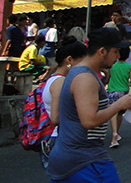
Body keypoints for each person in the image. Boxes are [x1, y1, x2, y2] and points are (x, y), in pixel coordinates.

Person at [46, 27, 131, 182]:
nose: (118, 56)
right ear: (102, 51)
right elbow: (89, 120)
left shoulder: (86, 74)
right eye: (115, 51)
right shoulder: (85, 77)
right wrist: (119, 104)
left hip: (84, 158)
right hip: (81, 161)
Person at [41, 37, 88, 169]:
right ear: (69, 60)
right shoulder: (60, 83)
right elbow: (55, 118)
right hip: (62, 139)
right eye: (81, 62)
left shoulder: (54, 79)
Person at [107, 46, 131, 148]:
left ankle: (114, 133)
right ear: (128, 55)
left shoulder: (113, 65)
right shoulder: (129, 66)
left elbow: (107, 78)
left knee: (113, 113)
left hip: (112, 91)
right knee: (120, 114)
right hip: (123, 92)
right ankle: (116, 132)